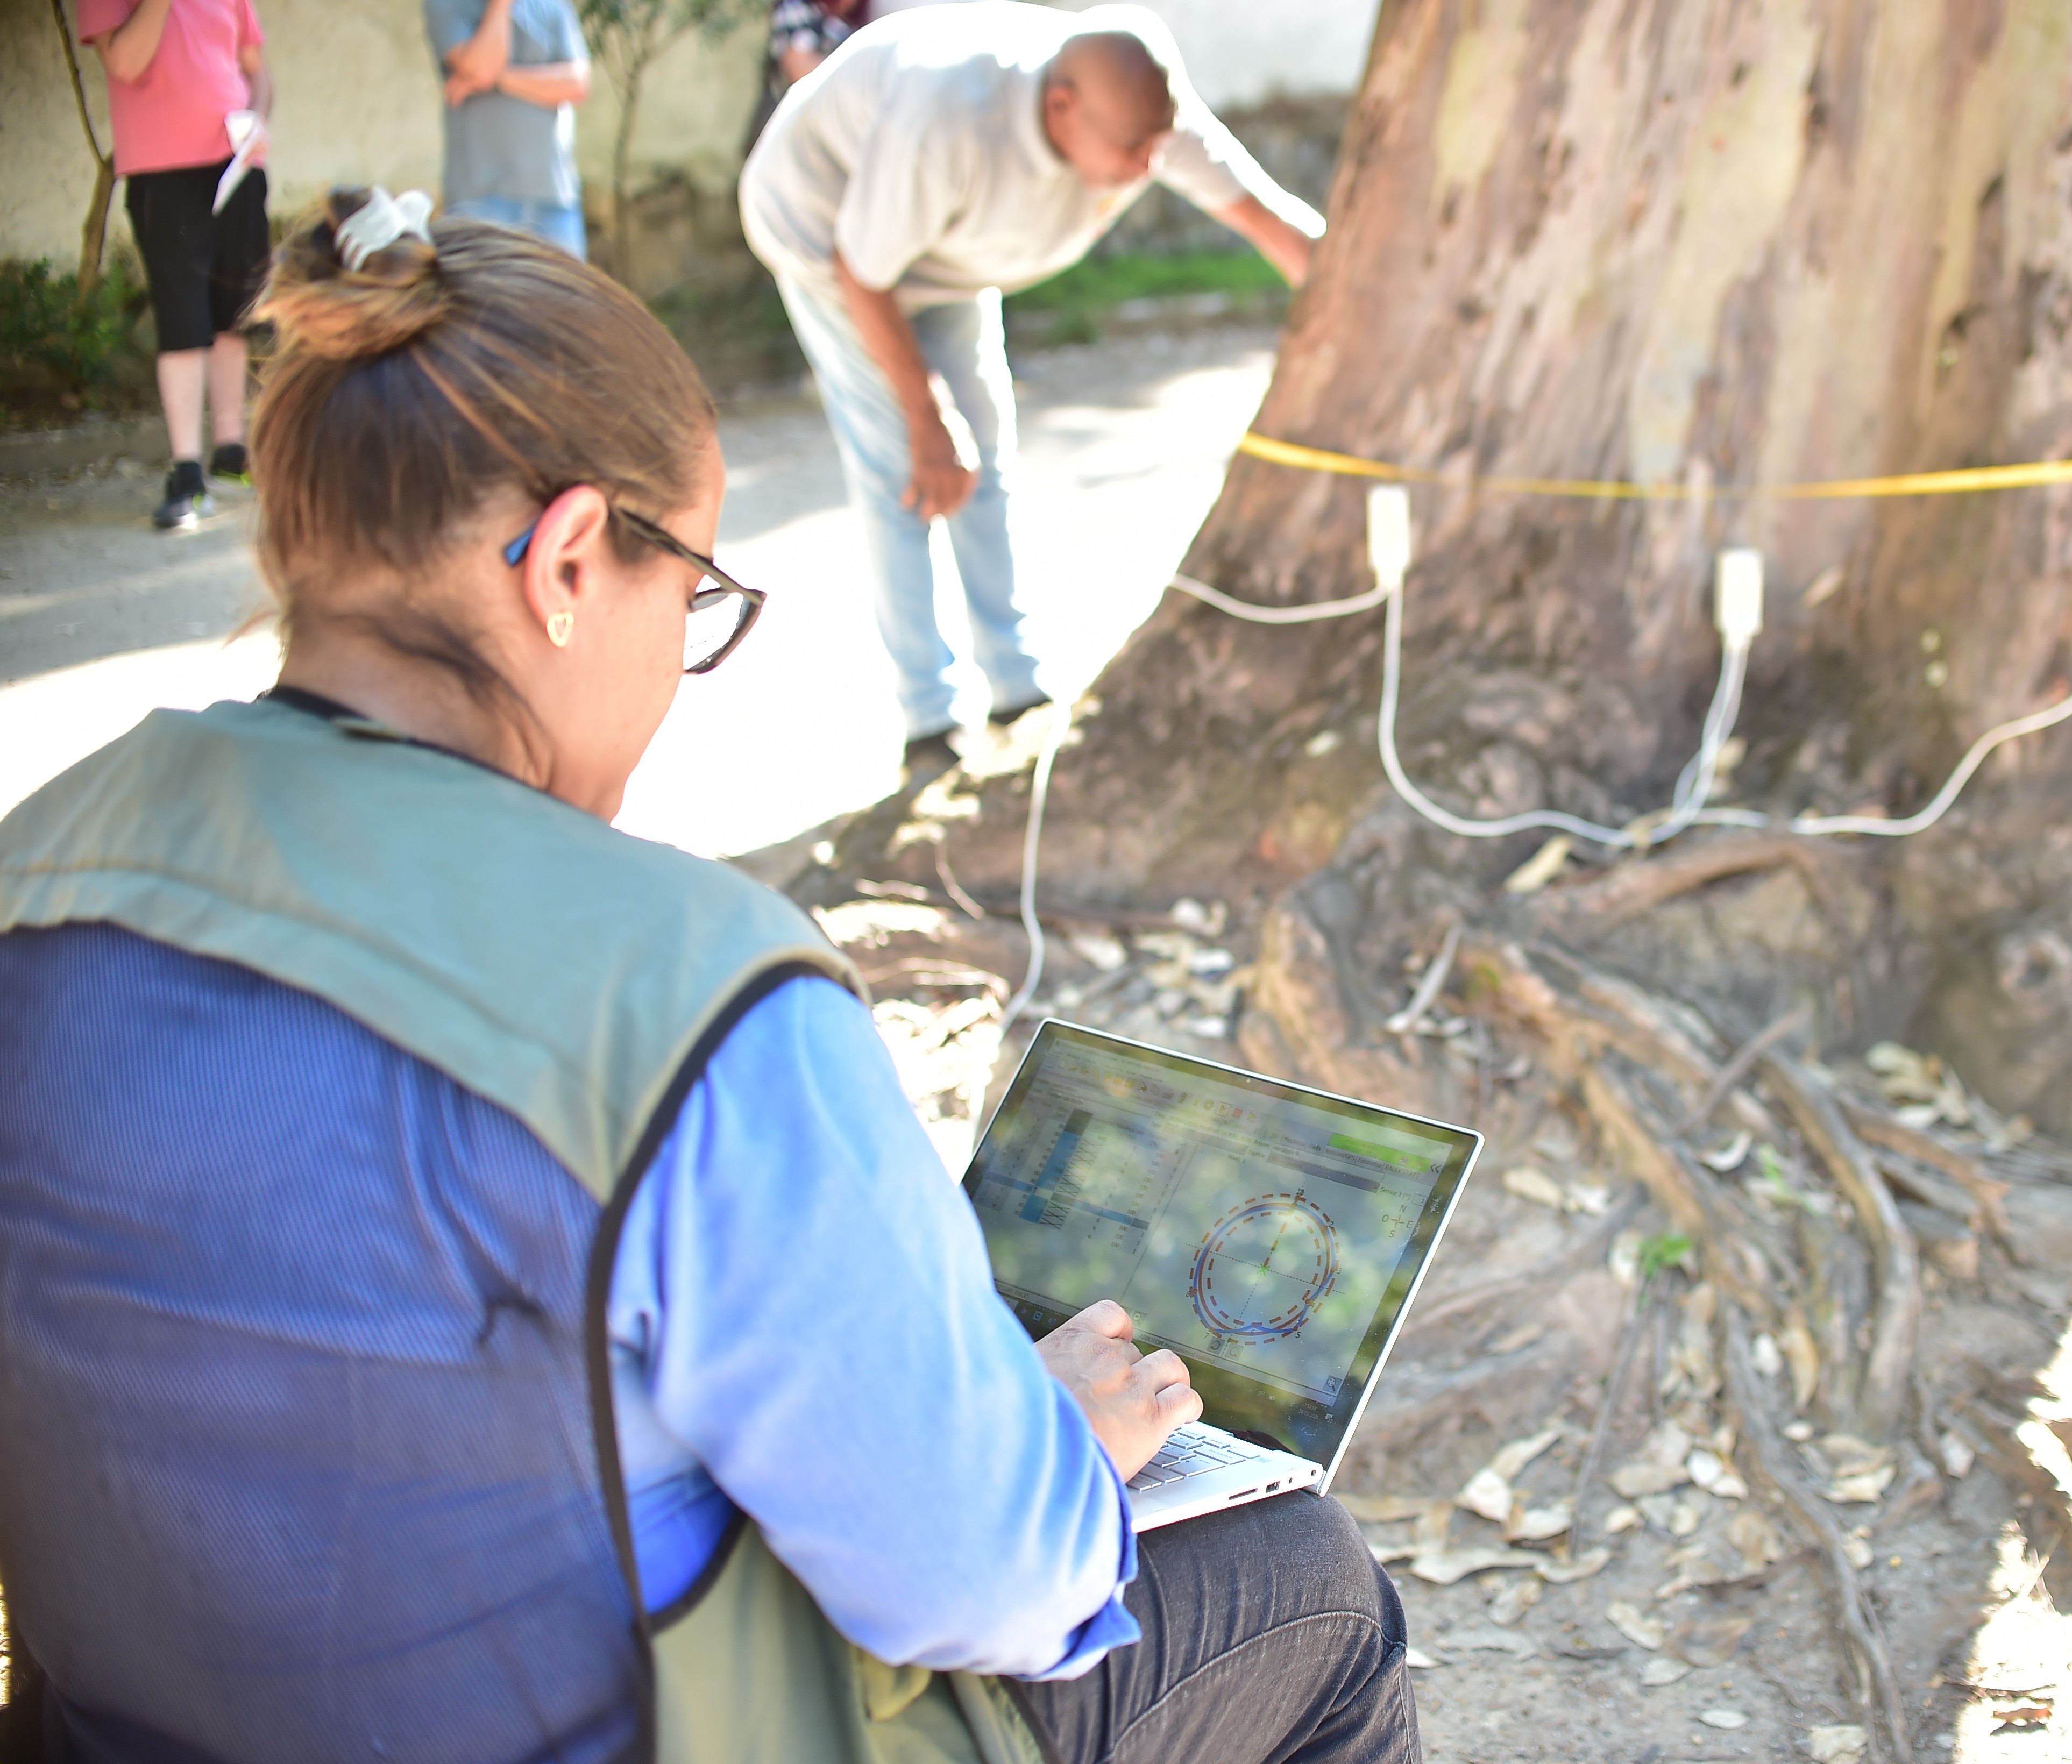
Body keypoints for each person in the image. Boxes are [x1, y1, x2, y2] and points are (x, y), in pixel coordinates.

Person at [0, 188, 1416, 1764]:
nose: (683, 660)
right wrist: (1060, 1456)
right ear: (571, 559)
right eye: (695, 603)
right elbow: (984, 1582)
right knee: (1310, 1589)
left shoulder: (37, 866)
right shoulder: (691, 990)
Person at [740, 1, 1325, 787]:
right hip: (831, 241)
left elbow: (1274, 225)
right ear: (1061, 108)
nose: (1148, 168)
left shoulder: (1140, 109)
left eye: (1158, 147)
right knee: (907, 470)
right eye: (1130, 152)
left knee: (986, 451)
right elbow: (864, 272)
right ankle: (929, 719)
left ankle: (1015, 687)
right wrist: (924, 414)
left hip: (946, 251)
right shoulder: (949, 116)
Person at [78, 0, 273, 530]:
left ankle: (230, 453)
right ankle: (186, 472)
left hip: (236, 165)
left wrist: (258, 117)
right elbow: (123, 63)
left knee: (236, 311)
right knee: (183, 319)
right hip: (163, 171)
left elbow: (257, 70)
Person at [424, 0, 593, 256]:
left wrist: (496, 80)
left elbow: (577, 85)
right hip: (478, 202)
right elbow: (482, 68)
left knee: (566, 297)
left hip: (554, 200)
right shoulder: (446, 4)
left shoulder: (553, 5)